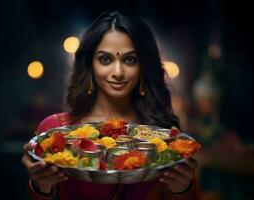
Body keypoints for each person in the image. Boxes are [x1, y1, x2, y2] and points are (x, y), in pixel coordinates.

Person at [21, 10, 200, 200]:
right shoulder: (56, 132)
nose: (118, 72)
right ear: (90, 65)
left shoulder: (164, 137)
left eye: (130, 59)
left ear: (143, 66)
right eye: (105, 59)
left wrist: (181, 188)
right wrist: (41, 187)